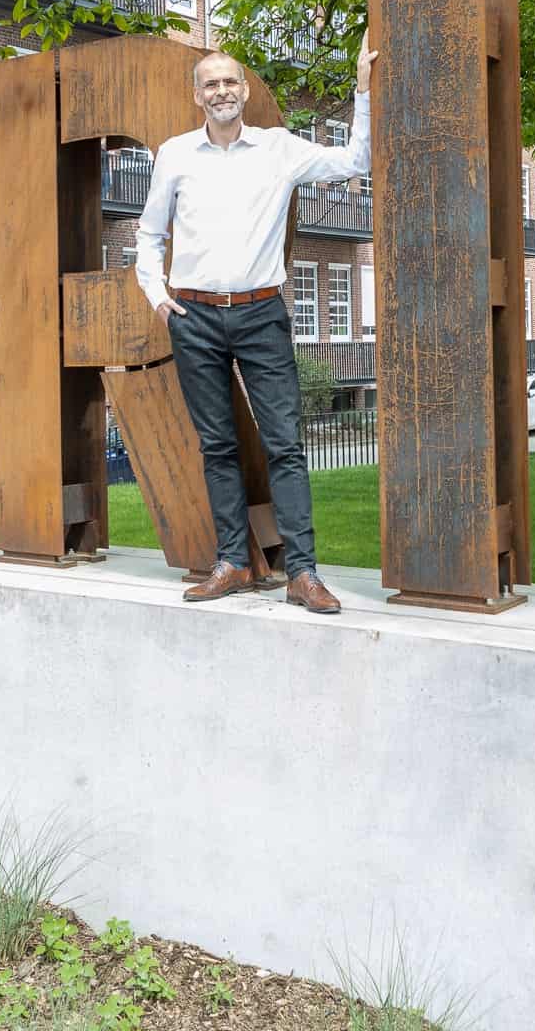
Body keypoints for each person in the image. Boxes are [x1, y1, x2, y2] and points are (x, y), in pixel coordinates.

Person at [134, 36, 377, 614]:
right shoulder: (175, 154)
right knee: (217, 446)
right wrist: (157, 297)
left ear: (244, 91)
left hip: (261, 313)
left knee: (285, 445)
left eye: (230, 81)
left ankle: (303, 573)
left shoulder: (279, 149)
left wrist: (361, 91)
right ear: (198, 96)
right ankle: (233, 563)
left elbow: (354, 161)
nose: (221, 90)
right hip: (193, 316)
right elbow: (149, 236)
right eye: (210, 83)